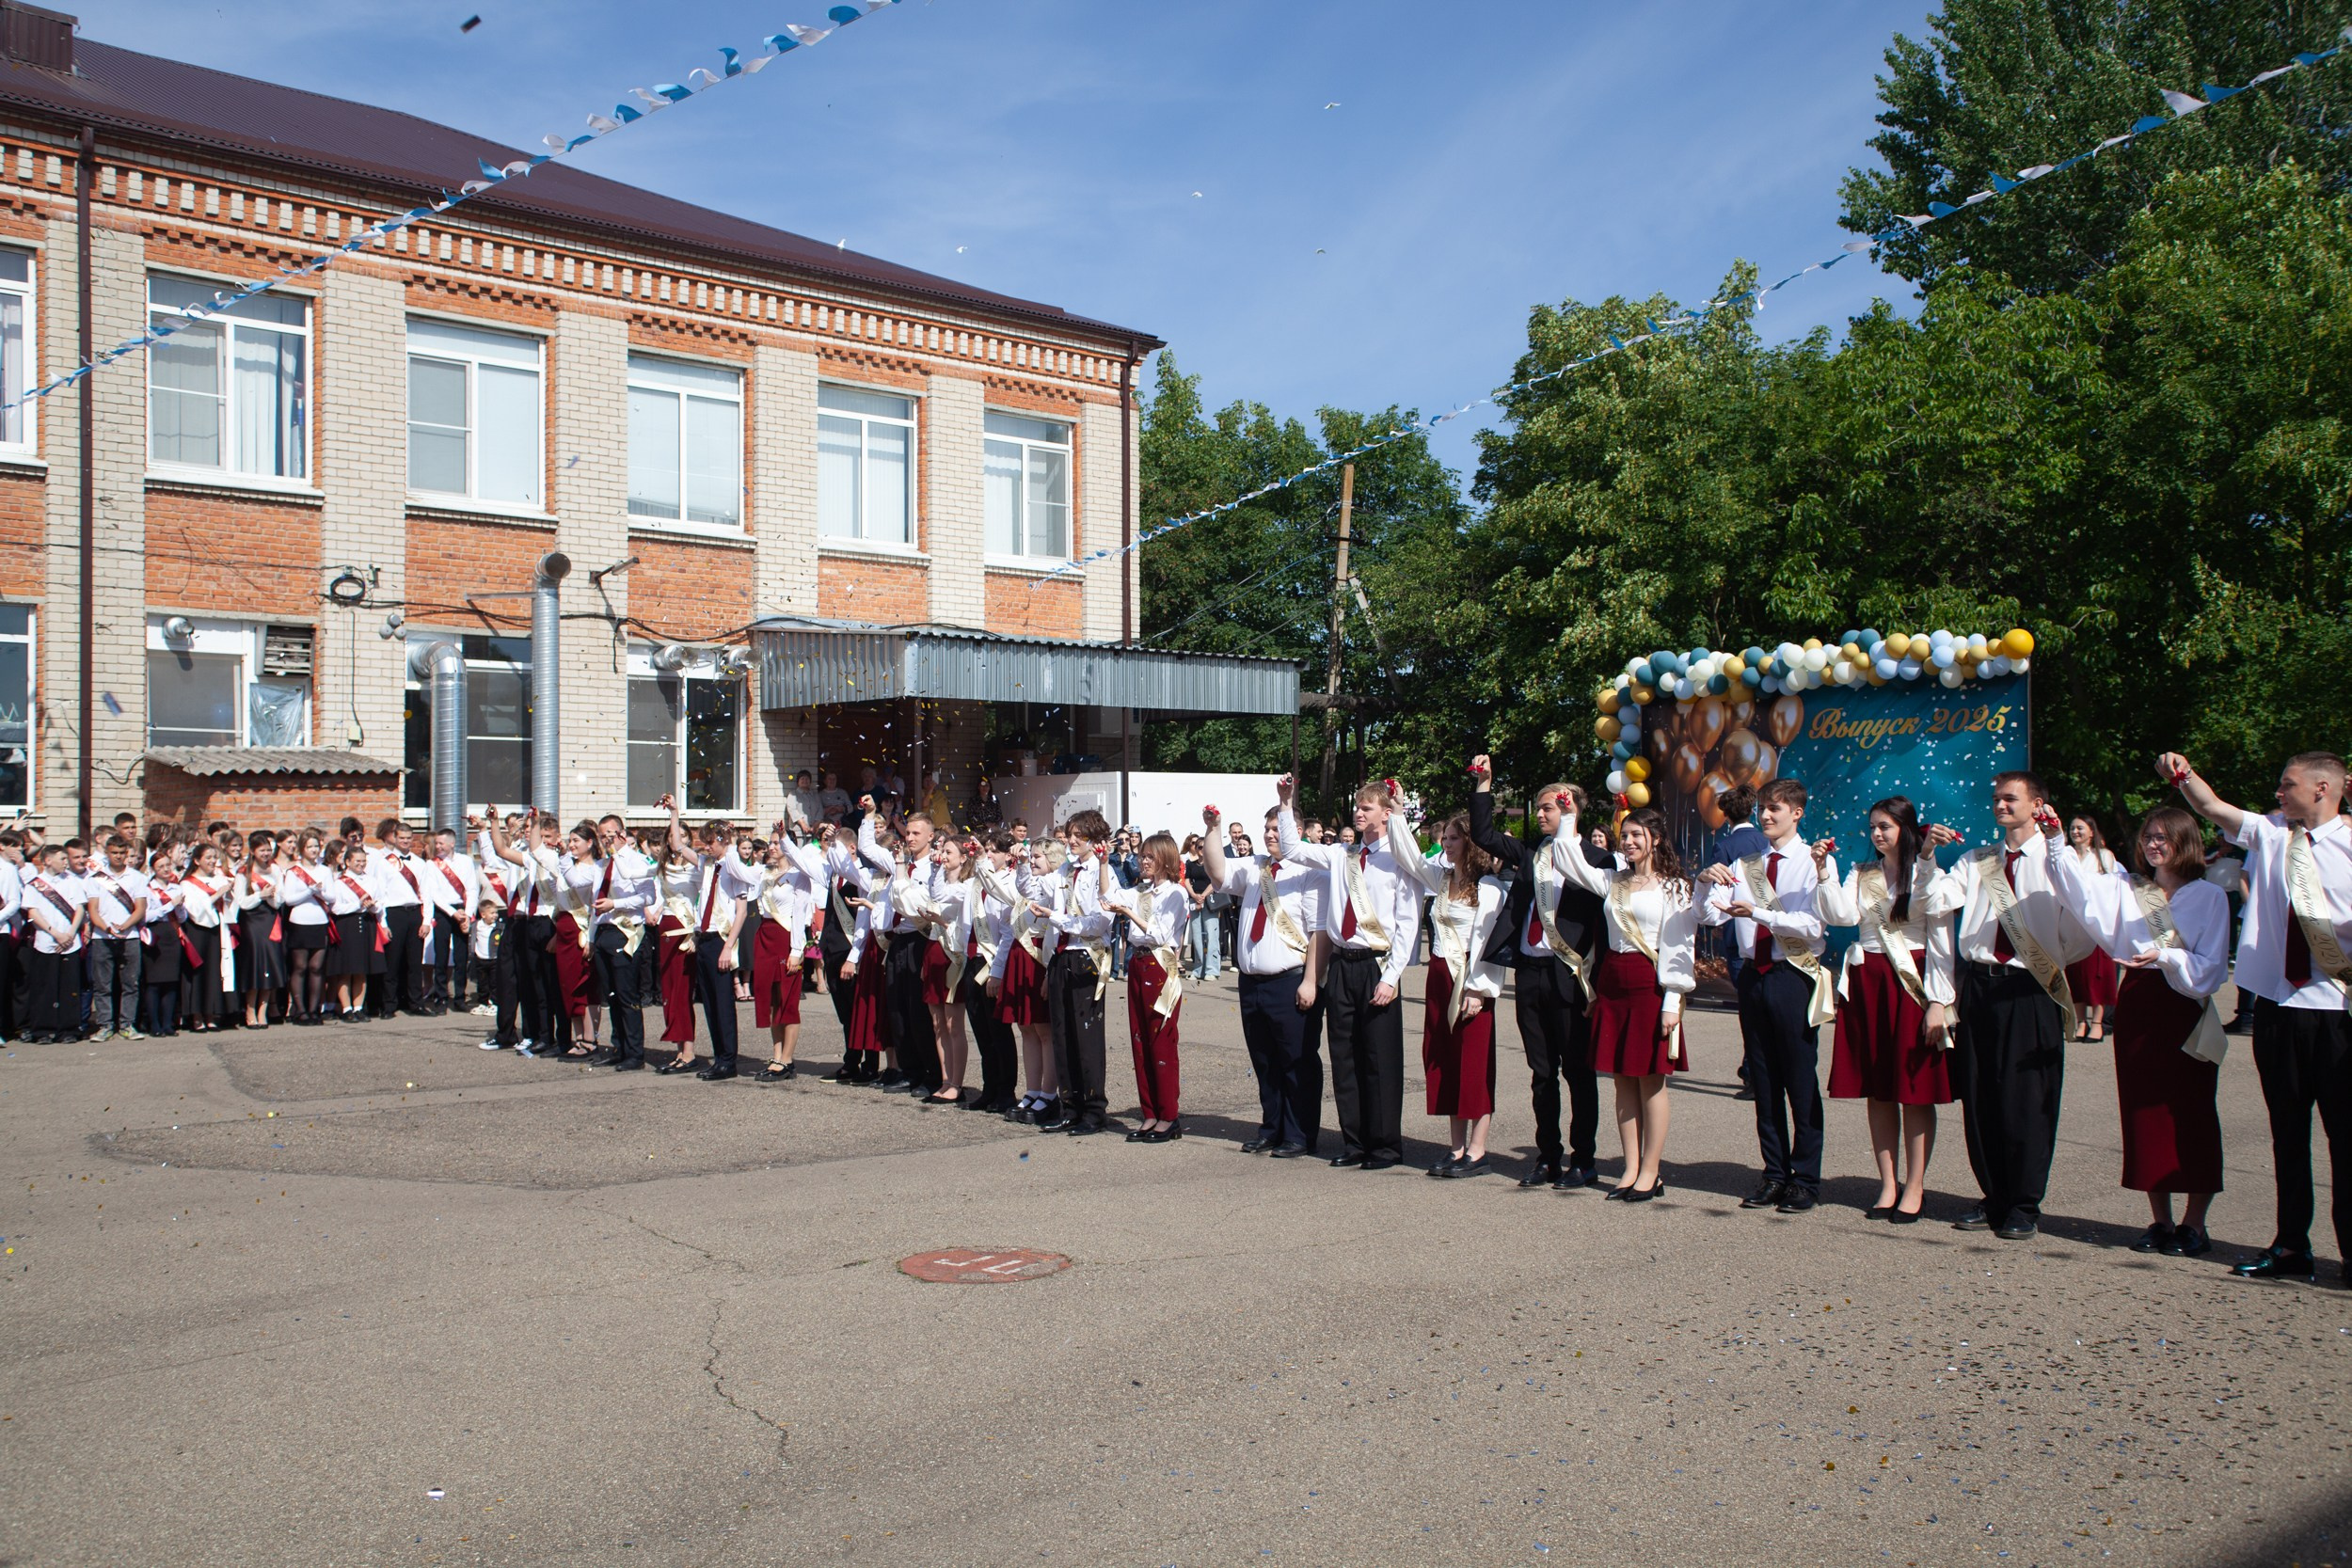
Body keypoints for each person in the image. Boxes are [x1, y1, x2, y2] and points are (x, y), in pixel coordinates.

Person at [2160, 750, 2349, 1282]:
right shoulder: (2272, 834)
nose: (2278, 793)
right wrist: (2183, 773)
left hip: (2339, 1009)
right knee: (2287, 1133)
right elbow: (2212, 807)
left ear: (2322, 789)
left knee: (2345, 1137)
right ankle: (2291, 1246)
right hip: (2280, 1006)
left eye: (2288, 785)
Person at [2045, 804, 2229, 1257]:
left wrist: (2166, 956)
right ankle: (2161, 1220)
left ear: (2185, 841)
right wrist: (2054, 841)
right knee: (2143, 1113)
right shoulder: (2127, 886)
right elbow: (2078, 891)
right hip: (2139, 1003)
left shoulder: (2209, 896)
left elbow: (2211, 970)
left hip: (2184, 1007)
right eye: (2148, 837)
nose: (2152, 844)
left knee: (2192, 1113)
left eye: (2162, 837)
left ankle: (2195, 1224)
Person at [1925, 770, 2098, 1242]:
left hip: (2030, 988)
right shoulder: (1979, 859)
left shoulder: (2058, 859)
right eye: (1996, 798)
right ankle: (1994, 1195)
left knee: (2028, 1099)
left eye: (2010, 798)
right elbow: (1935, 901)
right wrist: (1926, 857)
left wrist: (2048, 960)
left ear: (2037, 804)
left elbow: (2081, 929)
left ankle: (2024, 1202)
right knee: (1981, 1095)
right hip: (1982, 986)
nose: (2000, 805)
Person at [1468, 762, 1611, 1190]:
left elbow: (1604, 928)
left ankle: (1583, 1159)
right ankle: (1547, 1156)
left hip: (1570, 975)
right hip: (1531, 972)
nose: (1541, 814)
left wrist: (1598, 986)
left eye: (1549, 807)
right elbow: (1484, 835)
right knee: (1541, 1072)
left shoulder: (1598, 859)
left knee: (1578, 1072)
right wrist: (1484, 784)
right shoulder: (1533, 852)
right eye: (1541, 807)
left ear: (1570, 810)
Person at [1815, 796, 1958, 1222]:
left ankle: (1915, 1186)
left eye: (1886, 827)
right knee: (1878, 1088)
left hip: (1911, 983)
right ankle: (1888, 1183)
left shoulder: (1929, 873)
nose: (1877, 834)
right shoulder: (1862, 873)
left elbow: (1941, 941)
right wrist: (1823, 872)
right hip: (1868, 983)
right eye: (1873, 827)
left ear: (1906, 829)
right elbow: (1841, 916)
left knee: (1913, 1090)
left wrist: (1939, 1002)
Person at [1700, 779, 1836, 1214]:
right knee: (1764, 1080)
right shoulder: (1747, 864)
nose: (1766, 815)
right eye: (1763, 808)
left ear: (1797, 812)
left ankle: (1806, 1179)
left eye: (1776, 808)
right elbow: (1709, 915)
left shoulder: (1814, 861)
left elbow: (1813, 926)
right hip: (1753, 977)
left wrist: (1758, 912)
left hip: (1791, 976)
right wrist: (1703, 883)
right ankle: (1775, 1173)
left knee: (1799, 1078)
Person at [1278, 776, 1426, 1172]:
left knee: (1379, 1057)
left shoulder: (1400, 859)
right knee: (1343, 1056)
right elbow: (1293, 848)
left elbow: (1408, 922)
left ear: (1386, 814)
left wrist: (1392, 977)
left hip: (1377, 964)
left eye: (1367, 808)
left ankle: (1385, 1146)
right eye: (1357, 807)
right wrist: (1287, 802)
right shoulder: (1342, 854)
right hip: (1342, 964)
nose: (1358, 813)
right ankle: (1354, 1141)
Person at [1553, 802, 1695, 1199]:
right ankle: (1630, 1167)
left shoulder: (1675, 887)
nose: (1629, 842)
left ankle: (1651, 1170)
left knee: (1650, 1080)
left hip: (1650, 984)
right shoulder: (1613, 881)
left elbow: (1680, 946)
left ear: (1657, 839)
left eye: (1637, 835)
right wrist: (1569, 817)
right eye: (1625, 835)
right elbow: (1568, 861)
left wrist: (1672, 1002)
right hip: (1613, 982)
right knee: (1621, 1079)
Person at [1389, 808, 1508, 1177]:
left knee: (1474, 1063)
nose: (1447, 844)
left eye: (1455, 838)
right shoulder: (1441, 879)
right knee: (1445, 1059)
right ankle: (1456, 1148)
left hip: (1469, 979)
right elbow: (1408, 857)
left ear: (1471, 842)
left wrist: (1479, 989)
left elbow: (1489, 944)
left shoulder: (1489, 888)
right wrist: (1398, 814)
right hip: (1439, 977)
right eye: (1445, 838)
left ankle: (1478, 1150)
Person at [1203, 805, 1326, 1158]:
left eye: (1277, 828)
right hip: (1252, 983)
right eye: (1267, 829)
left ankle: (1299, 1133)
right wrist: (1213, 829)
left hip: (1291, 980)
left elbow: (1319, 932)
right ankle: (1272, 1128)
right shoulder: (1257, 866)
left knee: (1297, 1061)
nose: (1271, 834)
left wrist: (1311, 981)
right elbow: (1218, 871)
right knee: (1265, 1061)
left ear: (1295, 831)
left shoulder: (1310, 871)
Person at [1101, 830, 1193, 1142]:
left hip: (1159, 963)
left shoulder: (1175, 893)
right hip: (1139, 964)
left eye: (1150, 857)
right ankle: (1150, 1112)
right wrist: (1103, 862)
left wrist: (1128, 913)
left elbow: (1160, 933)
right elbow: (1108, 897)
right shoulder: (1142, 891)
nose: (1144, 861)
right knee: (1140, 1039)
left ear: (1165, 860)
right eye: (1143, 856)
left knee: (1160, 1040)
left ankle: (1168, 1115)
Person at [1032, 809, 1117, 1135]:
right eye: (1069, 834)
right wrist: (1024, 860)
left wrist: (1058, 918)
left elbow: (1099, 922)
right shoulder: (1066, 870)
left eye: (1079, 835)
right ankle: (1070, 1107)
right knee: (1062, 1034)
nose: (1071, 840)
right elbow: (1033, 889)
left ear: (1095, 838)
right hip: (1062, 957)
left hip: (1086, 957)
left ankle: (1094, 1110)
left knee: (1086, 1037)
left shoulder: (1101, 871)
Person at [858, 796, 944, 1095]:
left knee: (919, 1012)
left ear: (930, 836)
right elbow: (868, 848)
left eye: (917, 833)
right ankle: (909, 1071)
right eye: (908, 833)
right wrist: (870, 814)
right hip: (899, 941)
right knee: (897, 1009)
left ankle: (932, 1074)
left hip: (922, 939)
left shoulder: (936, 866)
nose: (910, 838)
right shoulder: (900, 862)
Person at [984, 837, 1059, 1123]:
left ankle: (1049, 1094)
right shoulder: (1029, 884)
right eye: (1033, 856)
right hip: (1020, 957)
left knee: (1044, 1030)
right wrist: (999, 970)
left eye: (1039, 856)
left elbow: (1030, 889)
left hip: (1039, 958)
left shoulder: (1053, 885)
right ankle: (1032, 1091)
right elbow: (1022, 894)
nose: (1034, 860)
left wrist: (1025, 863)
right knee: (1026, 1028)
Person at [570, 816, 653, 1071]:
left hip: (625, 931)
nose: (606, 839)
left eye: (610, 834)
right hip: (604, 931)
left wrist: (615, 904)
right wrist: (591, 937)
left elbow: (648, 896)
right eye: (602, 835)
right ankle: (619, 1047)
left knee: (627, 995)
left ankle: (635, 1053)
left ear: (621, 834)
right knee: (612, 995)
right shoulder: (601, 864)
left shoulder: (636, 861)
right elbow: (594, 902)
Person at [749, 823, 831, 1081]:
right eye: (770, 843)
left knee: (788, 1002)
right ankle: (776, 1056)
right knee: (773, 1001)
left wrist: (797, 950)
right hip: (765, 938)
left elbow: (800, 915)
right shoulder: (764, 873)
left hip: (787, 939)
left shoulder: (799, 875)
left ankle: (787, 1060)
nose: (772, 847)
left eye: (777, 843)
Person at [908, 833, 980, 1103]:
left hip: (954, 954)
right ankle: (945, 1079)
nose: (944, 856)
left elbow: (945, 902)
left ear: (963, 857)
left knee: (953, 1023)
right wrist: (936, 869)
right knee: (938, 1023)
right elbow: (935, 893)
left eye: (949, 852)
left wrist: (941, 921)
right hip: (935, 949)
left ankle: (956, 1083)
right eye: (943, 851)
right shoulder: (939, 879)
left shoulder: (967, 885)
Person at [961, 834, 1021, 1114]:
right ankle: (990, 1088)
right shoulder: (977, 882)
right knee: (982, 1032)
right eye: (987, 850)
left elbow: (1008, 932)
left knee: (999, 1032)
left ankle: (1006, 1091)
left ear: (1008, 856)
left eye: (995, 851)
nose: (989, 855)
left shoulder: (1009, 882)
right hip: (973, 960)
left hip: (993, 961)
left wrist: (997, 972)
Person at [19, 842, 86, 1042]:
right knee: (45, 987)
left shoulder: (72, 881)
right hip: (47, 941)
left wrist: (70, 934)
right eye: (62, 859)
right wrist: (56, 934)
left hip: (70, 941)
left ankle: (69, 1029)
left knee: (69, 988)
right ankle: (44, 1030)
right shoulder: (36, 884)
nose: (66, 862)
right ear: (48, 860)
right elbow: (33, 912)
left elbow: (80, 908)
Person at [85, 833, 149, 1041]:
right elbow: (93, 910)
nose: (119, 856)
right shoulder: (96, 878)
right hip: (102, 936)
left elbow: (140, 908)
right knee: (102, 984)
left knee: (131, 983)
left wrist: (126, 925)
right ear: (107, 853)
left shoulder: (137, 878)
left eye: (122, 852)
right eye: (114, 853)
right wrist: (107, 928)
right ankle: (105, 1025)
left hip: (130, 936)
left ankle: (127, 1024)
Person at [2063, 816, 2121, 1043]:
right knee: (2076, 973)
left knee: (2098, 974)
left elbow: (2110, 888)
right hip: (2072, 921)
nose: (2075, 832)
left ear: (2091, 832)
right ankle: (2081, 1022)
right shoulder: (2066, 855)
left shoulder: (2104, 856)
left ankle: (2097, 1023)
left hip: (2096, 922)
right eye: (2072, 828)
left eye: (2080, 828)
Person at [369, 819, 430, 1018]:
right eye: (401, 838)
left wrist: (426, 921)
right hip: (393, 913)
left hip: (415, 913)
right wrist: (383, 923)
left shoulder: (420, 863)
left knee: (414, 963)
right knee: (392, 962)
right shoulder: (383, 863)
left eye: (408, 838)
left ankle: (416, 1003)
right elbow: (380, 894)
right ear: (395, 838)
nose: (405, 841)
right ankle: (389, 1005)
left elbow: (426, 894)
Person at [175, 842, 238, 1033]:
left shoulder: (219, 879)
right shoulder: (187, 883)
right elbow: (193, 909)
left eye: (214, 857)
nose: (212, 861)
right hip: (197, 930)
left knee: (214, 971)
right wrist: (217, 894)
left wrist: (229, 893)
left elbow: (230, 905)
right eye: (208, 858)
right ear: (197, 860)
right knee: (198, 972)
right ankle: (197, 1016)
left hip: (216, 929)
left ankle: (212, 1013)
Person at [322, 840, 382, 1022]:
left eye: (364, 861)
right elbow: (335, 908)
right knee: (345, 970)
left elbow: (380, 903)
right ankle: (346, 1008)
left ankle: (358, 1007)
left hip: (366, 923)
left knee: (361, 970)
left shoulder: (371, 881)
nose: (361, 864)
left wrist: (372, 907)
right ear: (347, 862)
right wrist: (358, 904)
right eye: (357, 861)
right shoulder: (339, 883)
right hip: (346, 925)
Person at [277, 832, 333, 1026]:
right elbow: (289, 899)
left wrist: (320, 892)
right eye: (309, 847)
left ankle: (314, 1009)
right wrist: (309, 890)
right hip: (300, 921)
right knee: (300, 967)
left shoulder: (325, 870)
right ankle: (300, 1010)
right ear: (302, 849)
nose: (314, 850)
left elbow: (332, 897)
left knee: (316, 967)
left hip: (319, 921)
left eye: (316, 846)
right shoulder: (294, 871)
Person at [233, 832, 287, 1030]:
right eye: (262, 850)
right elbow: (241, 902)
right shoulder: (244, 872)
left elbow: (280, 899)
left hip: (271, 918)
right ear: (253, 851)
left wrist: (271, 898)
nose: (265, 854)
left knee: (270, 963)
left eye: (268, 850)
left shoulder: (275, 870)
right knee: (255, 963)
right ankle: (249, 1010)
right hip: (252, 921)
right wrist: (260, 895)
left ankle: (263, 1010)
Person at [423, 828, 480, 1015]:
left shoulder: (465, 861)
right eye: (436, 843)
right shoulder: (432, 865)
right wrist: (452, 913)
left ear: (452, 843)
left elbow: (472, 889)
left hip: (462, 910)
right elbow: (434, 894)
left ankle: (460, 998)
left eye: (441, 843)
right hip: (443, 911)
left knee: (461, 957)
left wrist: (468, 914)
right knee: (441, 956)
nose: (438, 846)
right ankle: (440, 998)